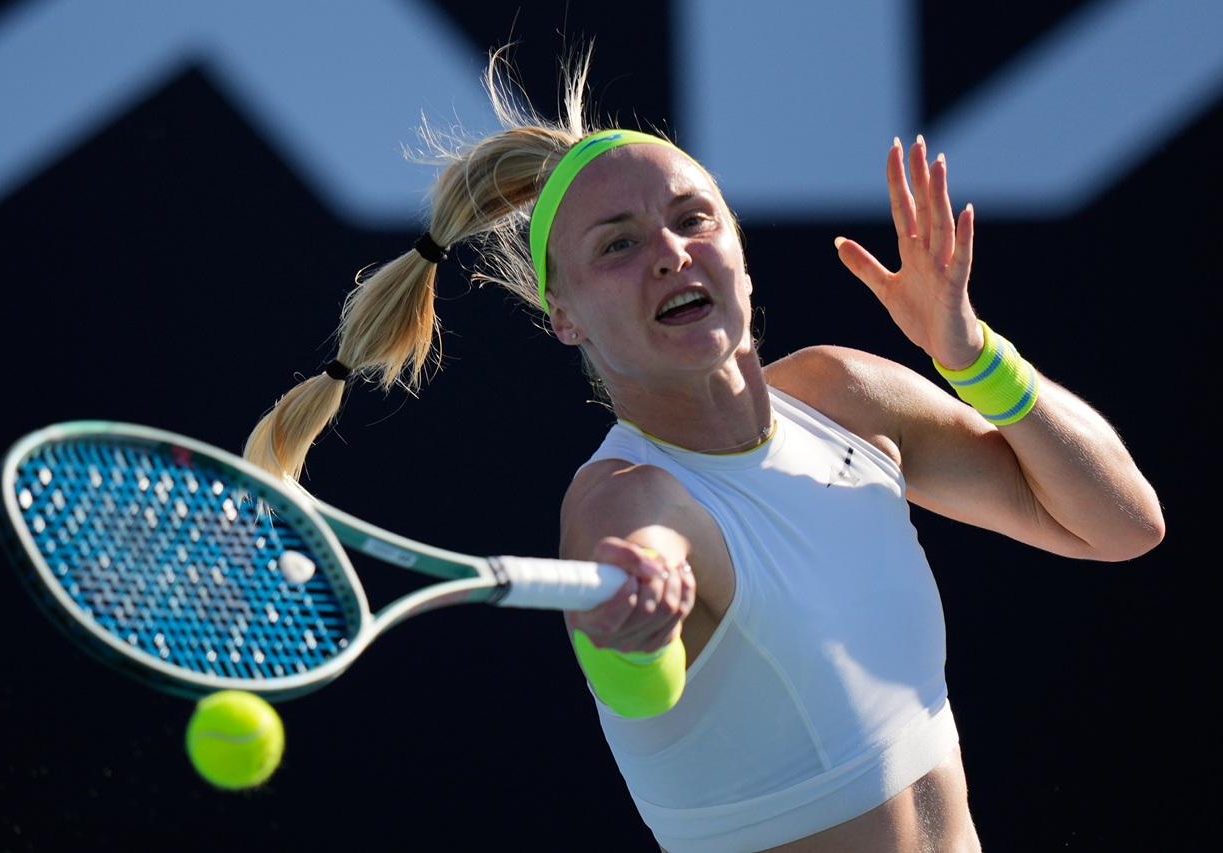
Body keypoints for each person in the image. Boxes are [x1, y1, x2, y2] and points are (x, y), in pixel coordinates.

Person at [244, 49, 1164, 852]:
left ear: (739, 252)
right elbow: (640, 645)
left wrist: (972, 356)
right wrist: (632, 636)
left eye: (694, 219)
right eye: (618, 244)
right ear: (564, 316)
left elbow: (1122, 526)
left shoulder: (846, 397)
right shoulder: (625, 499)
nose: (671, 253)